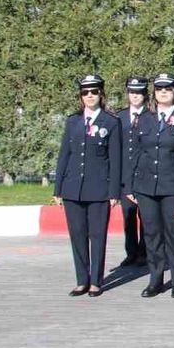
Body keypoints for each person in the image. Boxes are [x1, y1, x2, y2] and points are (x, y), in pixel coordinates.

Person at [54, 74, 122, 297]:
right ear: (80, 96)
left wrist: (114, 191)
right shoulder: (73, 121)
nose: (90, 96)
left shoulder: (111, 122)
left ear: (101, 94)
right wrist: (58, 188)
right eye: (85, 92)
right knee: (77, 235)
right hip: (73, 188)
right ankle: (81, 280)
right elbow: (64, 155)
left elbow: (115, 159)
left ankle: (96, 281)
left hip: (99, 189)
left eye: (94, 92)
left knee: (97, 235)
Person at [127, 73, 174, 299]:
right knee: (152, 234)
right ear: (153, 93)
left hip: (172, 187)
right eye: (159, 89)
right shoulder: (145, 119)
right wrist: (130, 185)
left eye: (168, 88)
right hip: (146, 186)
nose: (163, 92)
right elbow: (135, 153)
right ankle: (155, 279)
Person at [114, 76, 149, 267]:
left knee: (145, 217)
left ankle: (144, 252)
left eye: (139, 92)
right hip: (125, 176)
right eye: (132, 92)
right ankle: (131, 252)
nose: (135, 96)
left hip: (144, 175)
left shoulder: (151, 116)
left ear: (145, 94)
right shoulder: (119, 117)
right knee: (128, 218)